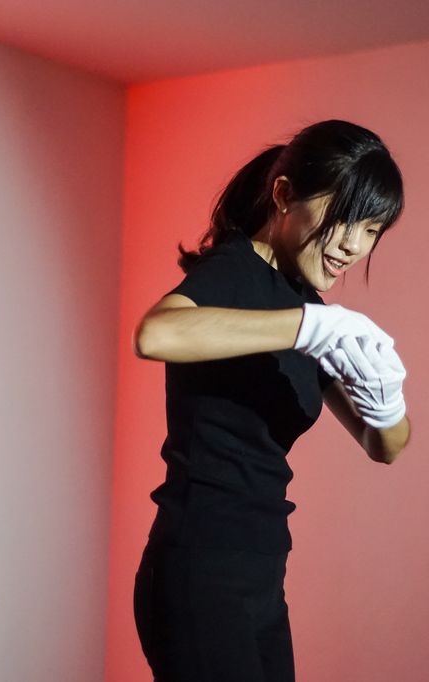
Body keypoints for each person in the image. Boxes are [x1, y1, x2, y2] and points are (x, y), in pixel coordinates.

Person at [130, 119, 412, 682]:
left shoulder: (308, 307)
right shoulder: (235, 271)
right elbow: (154, 335)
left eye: (372, 230)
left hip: (261, 572)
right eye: (345, 218)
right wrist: (306, 328)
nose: (354, 246)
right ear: (284, 194)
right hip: (200, 566)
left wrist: (388, 404)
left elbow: (384, 446)